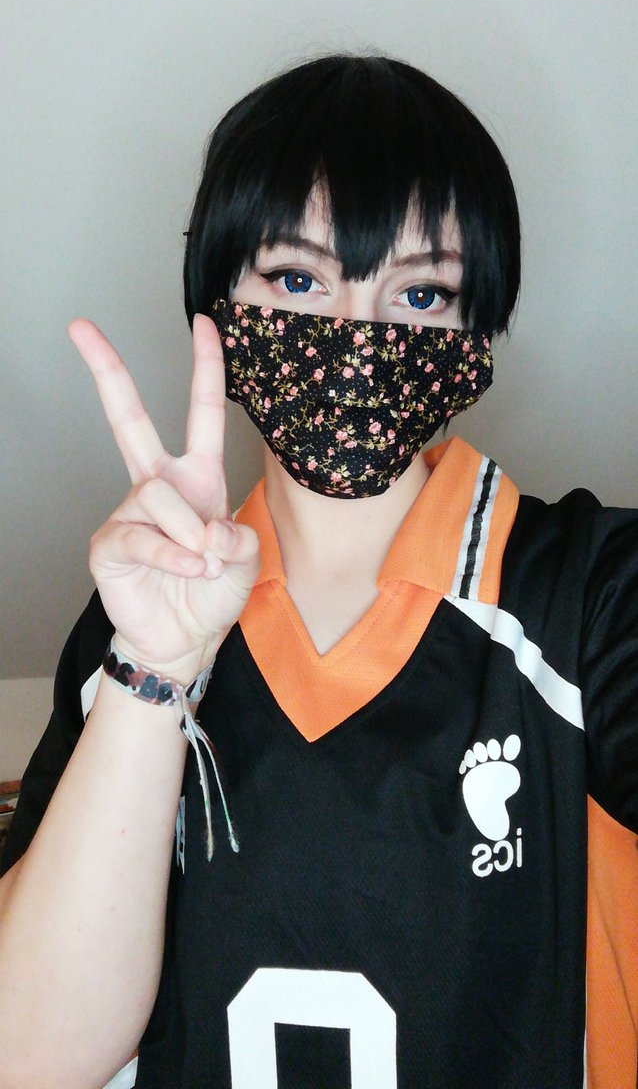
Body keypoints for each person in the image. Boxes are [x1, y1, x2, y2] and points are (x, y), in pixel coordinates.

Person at [0, 54, 636, 1089]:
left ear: (475, 329)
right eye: (297, 280)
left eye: (420, 292)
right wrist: (155, 665)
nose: (358, 336)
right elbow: (28, 1055)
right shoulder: (127, 628)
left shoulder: (596, 594)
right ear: (217, 302)